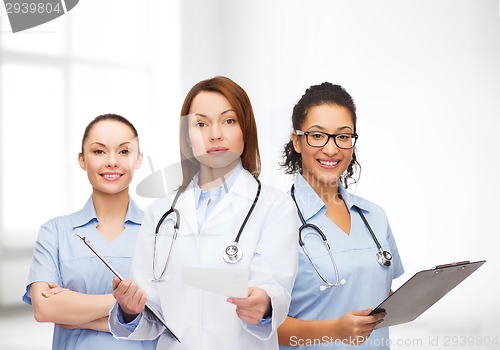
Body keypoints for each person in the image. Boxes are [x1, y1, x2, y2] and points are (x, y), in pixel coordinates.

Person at [108, 76, 298, 349]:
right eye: (201, 124)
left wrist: (264, 305)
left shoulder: (275, 207)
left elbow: (274, 289)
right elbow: (152, 315)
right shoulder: (159, 213)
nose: (215, 134)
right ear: (188, 136)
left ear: (246, 128)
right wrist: (129, 309)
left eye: (228, 121)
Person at [277, 83, 404, 349]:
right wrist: (333, 331)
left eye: (343, 137)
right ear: (297, 141)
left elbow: (381, 294)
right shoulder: (275, 219)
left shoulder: (374, 216)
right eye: (318, 136)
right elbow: (263, 325)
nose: (332, 149)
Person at [22, 114, 157, 350]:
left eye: (124, 151)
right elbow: (43, 308)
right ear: (82, 160)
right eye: (99, 151)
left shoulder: (159, 232)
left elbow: (166, 313)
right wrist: (126, 303)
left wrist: (74, 312)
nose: (112, 162)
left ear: (138, 159)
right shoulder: (55, 231)